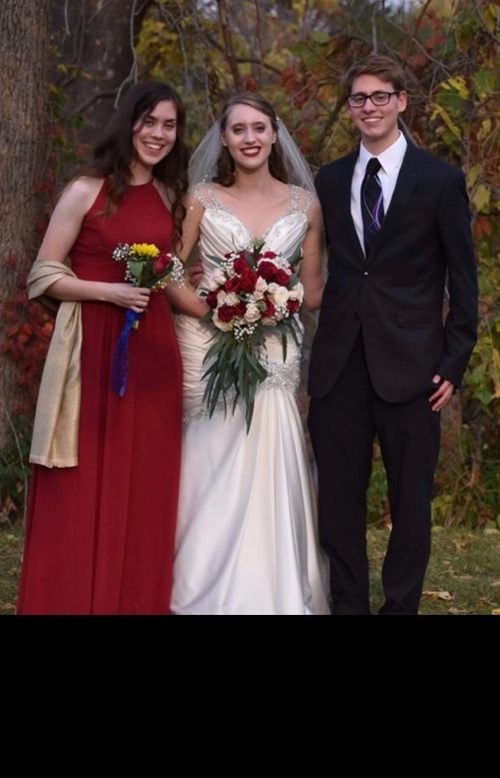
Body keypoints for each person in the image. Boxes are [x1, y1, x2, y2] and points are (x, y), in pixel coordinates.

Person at [308, 54, 478, 615]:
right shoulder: (329, 180)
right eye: (359, 98)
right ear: (350, 108)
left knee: (410, 503)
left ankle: (400, 606)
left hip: (414, 368)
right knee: (338, 501)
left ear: (402, 101)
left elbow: (464, 280)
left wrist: (453, 364)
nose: (370, 107)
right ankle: (349, 604)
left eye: (381, 96)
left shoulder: (441, 180)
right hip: (339, 366)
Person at [17, 81, 188, 615]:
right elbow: (42, 274)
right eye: (149, 122)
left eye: (169, 125)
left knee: (145, 485)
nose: (158, 134)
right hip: (93, 352)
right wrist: (106, 291)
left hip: (154, 352)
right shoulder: (86, 190)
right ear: (128, 123)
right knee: (84, 480)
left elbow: (169, 273)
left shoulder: (167, 195)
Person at [168, 93, 329, 615]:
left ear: (276, 134)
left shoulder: (305, 204)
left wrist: (274, 305)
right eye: (239, 130)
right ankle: (197, 585)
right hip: (208, 334)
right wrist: (217, 308)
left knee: (270, 441)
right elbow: (169, 269)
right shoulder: (200, 197)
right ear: (225, 139)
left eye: (260, 127)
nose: (250, 138)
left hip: (277, 343)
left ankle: (270, 587)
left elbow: (313, 288)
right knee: (213, 448)